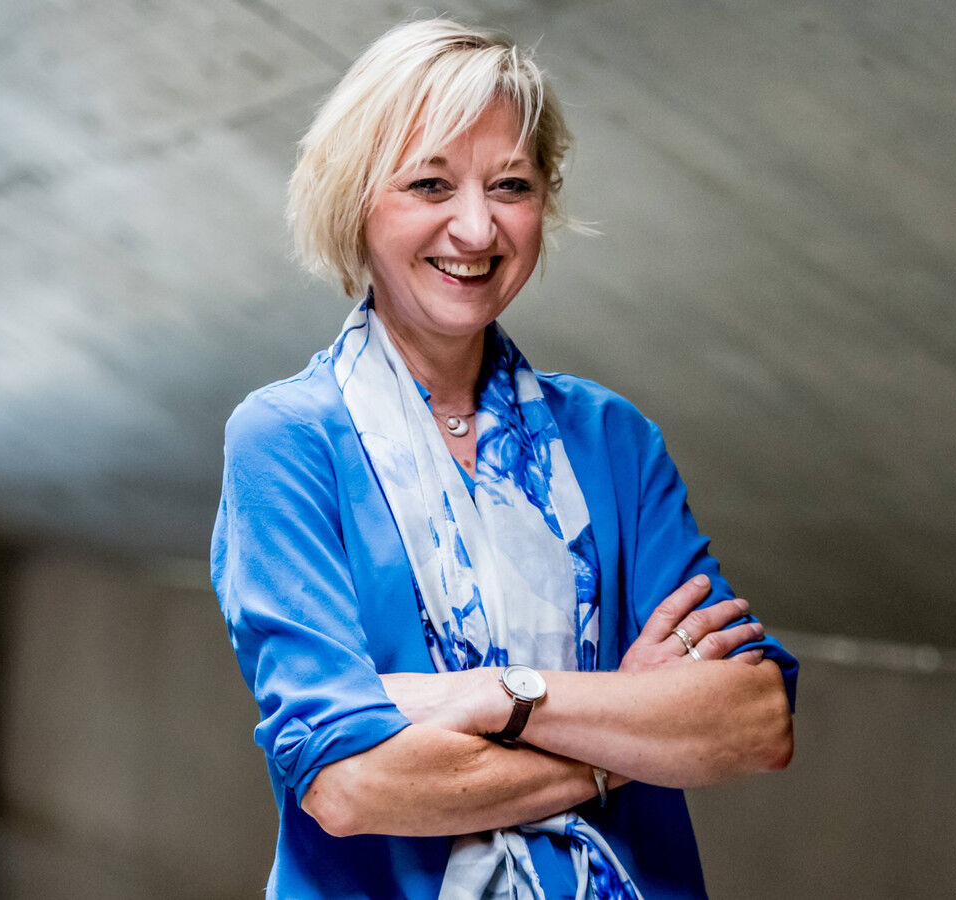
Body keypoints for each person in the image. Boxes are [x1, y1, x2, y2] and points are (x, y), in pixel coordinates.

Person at [210, 18, 797, 900]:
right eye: (430, 183)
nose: (477, 227)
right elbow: (350, 786)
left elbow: (754, 720)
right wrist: (620, 738)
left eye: (511, 185)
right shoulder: (288, 441)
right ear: (355, 198)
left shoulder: (613, 438)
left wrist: (500, 696)